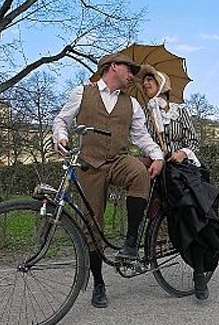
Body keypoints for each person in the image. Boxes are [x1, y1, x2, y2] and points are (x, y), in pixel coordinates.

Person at [52, 52, 164, 308]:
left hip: (117, 161)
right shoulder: (82, 92)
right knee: (91, 227)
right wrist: (60, 137)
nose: (132, 74)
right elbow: (61, 120)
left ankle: (131, 243)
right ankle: (99, 283)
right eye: (129, 68)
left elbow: (141, 137)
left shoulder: (132, 104)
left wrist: (157, 156)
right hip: (89, 165)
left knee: (138, 173)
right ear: (113, 66)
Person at [136, 64, 219, 300]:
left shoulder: (180, 112)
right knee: (187, 207)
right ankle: (217, 251)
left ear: (161, 84)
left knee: (195, 209)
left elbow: (193, 141)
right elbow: (141, 142)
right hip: (166, 173)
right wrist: (156, 154)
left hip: (188, 169)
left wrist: (181, 153)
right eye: (143, 82)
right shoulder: (144, 114)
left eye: (149, 80)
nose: (145, 84)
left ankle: (200, 275)